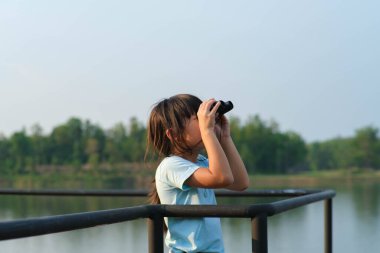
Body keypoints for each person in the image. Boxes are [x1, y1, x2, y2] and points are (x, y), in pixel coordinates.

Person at [146, 94, 249, 253]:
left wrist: (225, 137)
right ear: (173, 134)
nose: (207, 122)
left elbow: (240, 183)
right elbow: (222, 178)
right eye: (198, 119)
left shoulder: (200, 162)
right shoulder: (171, 166)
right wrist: (207, 131)